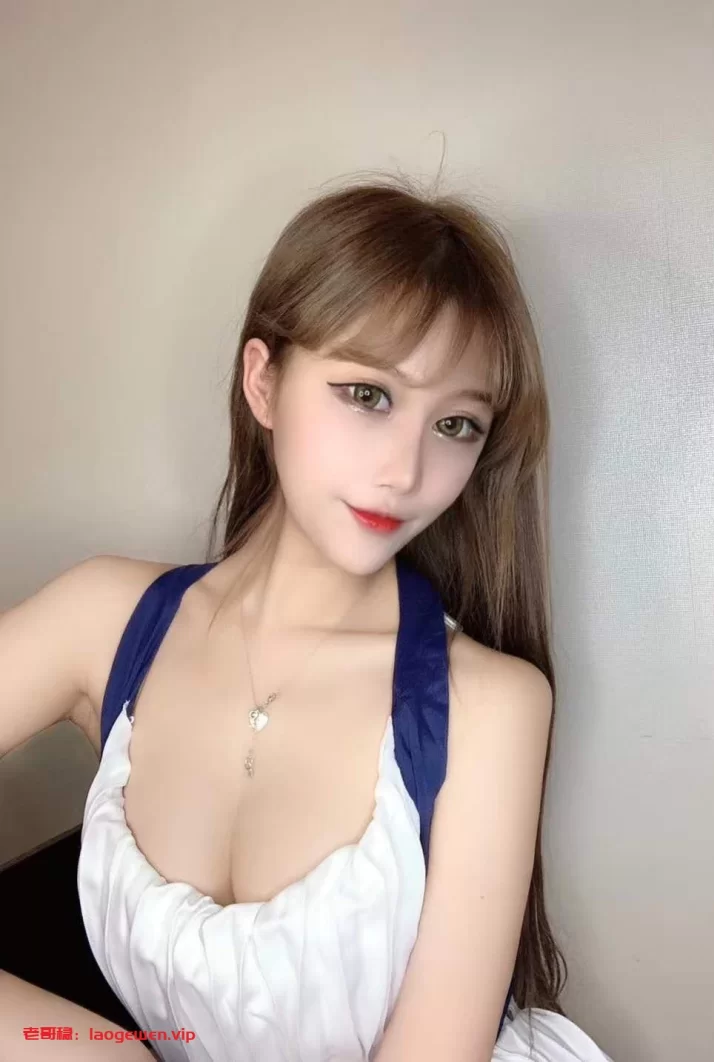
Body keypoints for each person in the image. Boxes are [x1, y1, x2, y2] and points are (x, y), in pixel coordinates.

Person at [0, 175, 613, 1062]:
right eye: (369, 395)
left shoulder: (490, 706)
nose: (406, 471)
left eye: (456, 426)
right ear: (264, 382)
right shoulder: (104, 619)